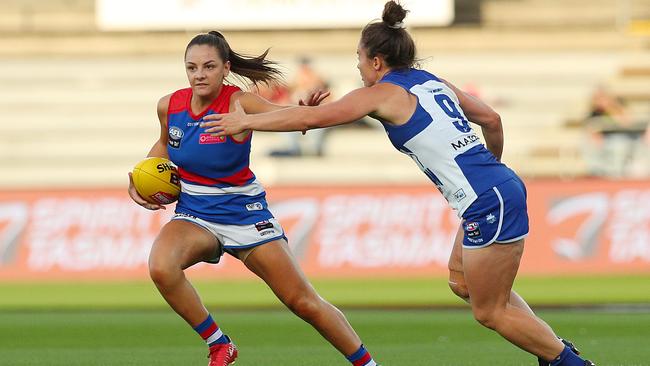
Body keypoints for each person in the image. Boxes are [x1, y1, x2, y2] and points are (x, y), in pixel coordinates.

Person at [200, 3, 597, 366]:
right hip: (494, 188)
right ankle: (551, 348)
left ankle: (565, 360)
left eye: (358, 57)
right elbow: (491, 119)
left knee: (488, 311)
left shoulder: (381, 93)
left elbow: (313, 121)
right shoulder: (431, 81)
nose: (357, 66)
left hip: (485, 198)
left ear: (376, 60)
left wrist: (247, 121)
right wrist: (492, 168)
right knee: (461, 282)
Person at [127, 31, 379, 366]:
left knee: (303, 302)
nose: (199, 74)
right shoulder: (169, 106)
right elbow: (163, 147)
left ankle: (367, 364)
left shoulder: (239, 103)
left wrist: (301, 114)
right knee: (161, 266)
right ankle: (219, 344)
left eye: (208, 66)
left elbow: (281, 115)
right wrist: (139, 178)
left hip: (246, 216)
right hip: (195, 214)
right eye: (192, 67)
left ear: (225, 68)